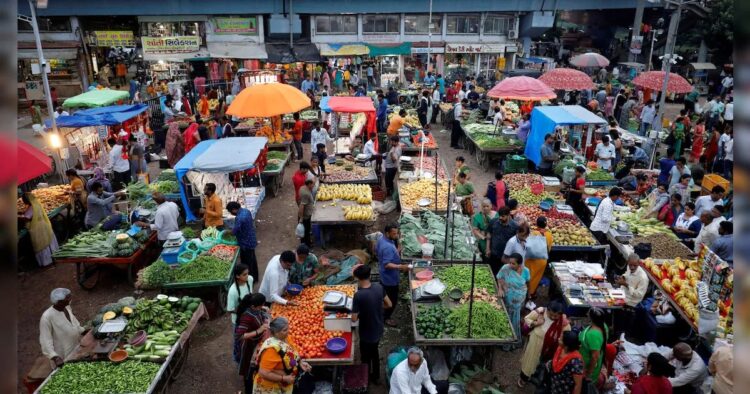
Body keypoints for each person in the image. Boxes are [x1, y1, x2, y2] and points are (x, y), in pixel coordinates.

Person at [351, 264, 391, 385]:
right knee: (375, 351)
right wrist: (377, 307)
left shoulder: (358, 296)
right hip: (378, 328)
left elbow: (354, 318)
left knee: (365, 356)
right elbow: (389, 304)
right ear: (369, 276)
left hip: (366, 332)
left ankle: (365, 377)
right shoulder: (379, 287)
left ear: (358, 278)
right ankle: (376, 376)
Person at [518, 301, 570, 387]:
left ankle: (535, 375)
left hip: (550, 347)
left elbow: (567, 333)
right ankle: (524, 378)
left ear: (560, 314)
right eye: (551, 315)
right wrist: (537, 323)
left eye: (556, 316)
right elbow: (527, 319)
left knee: (543, 362)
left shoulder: (563, 321)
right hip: (536, 342)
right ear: (548, 310)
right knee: (530, 361)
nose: (553, 317)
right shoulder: (541, 311)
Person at [253, 317, 311, 392]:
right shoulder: (271, 349)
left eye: (288, 328)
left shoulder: (285, 338)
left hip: (283, 384)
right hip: (270, 387)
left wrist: (300, 362)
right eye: (285, 330)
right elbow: (263, 372)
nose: (288, 331)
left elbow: (291, 352)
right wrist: (283, 378)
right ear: (276, 332)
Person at [40, 288, 85, 367]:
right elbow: (45, 340)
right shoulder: (47, 317)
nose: (70, 298)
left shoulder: (67, 307)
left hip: (75, 347)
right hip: (62, 356)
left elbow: (73, 322)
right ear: (59, 302)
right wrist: (55, 357)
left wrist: (82, 330)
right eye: (67, 297)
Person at [234, 293, 268, 393]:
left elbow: (260, 313)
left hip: (256, 342)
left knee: (255, 366)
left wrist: (263, 311)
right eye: (261, 306)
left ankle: (255, 383)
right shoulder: (246, 317)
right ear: (253, 306)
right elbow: (239, 336)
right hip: (249, 346)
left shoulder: (255, 310)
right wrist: (259, 330)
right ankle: (248, 388)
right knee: (248, 368)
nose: (262, 307)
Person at [378, 223, 408, 327]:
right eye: (394, 233)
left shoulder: (382, 239)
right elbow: (387, 264)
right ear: (387, 233)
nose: (396, 235)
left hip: (383, 274)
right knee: (392, 300)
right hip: (389, 278)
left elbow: (376, 250)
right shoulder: (387, 247)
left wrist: (398, 249)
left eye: (397, 233)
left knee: (384, 296)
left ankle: (381, 311)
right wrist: (401, 267)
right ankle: (386, 318)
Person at [496, 253, 529, 345]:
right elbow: (499, 278)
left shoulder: (526, 271)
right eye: (510, 262)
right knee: (506, 315)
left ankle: (513, 337)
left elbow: (527, 283)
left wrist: (528, 296)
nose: (510, 265)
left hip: (520, 296)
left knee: (515, 316)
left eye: (513, 263)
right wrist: (500, 289)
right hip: (508, 295)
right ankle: (504, 336)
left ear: (520, 264)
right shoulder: (505, 268)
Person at [19, 193, 59, 268]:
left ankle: (47, 261)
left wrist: (18, 217)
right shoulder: (37, 204)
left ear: (27, 200)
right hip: (44, 224)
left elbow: (27, 218)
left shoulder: (31, 207)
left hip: (38, 228)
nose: (23, 201)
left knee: (42, 244)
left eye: (24, 199)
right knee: (48, 242)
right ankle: (53, 257)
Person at [226, 202, 259, 284]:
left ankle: (249, 279)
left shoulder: (239, 218)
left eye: (230, 211)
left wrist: (227, 232)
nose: (231, 213)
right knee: (252, 260)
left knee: (246, 262)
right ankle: (255, 277)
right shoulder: (246, 211)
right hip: (251, 238)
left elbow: (234, 231)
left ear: (234, 210)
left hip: (245, 242)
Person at [579, 307, 609, 387]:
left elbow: (595, 356)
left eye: (588, 314)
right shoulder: (604, 326)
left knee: (586, 386)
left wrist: (588, 372)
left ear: (592, 318)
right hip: (591, 363)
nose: (586, 314)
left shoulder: (593, 334)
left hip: (588, 365)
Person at [486, 207, 518, 276]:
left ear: (508, 215)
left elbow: (516, 241)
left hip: (506, 256)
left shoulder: (515, 226)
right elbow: (489, 234)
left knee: (503, 275)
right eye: (500, 215)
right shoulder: (493, 222)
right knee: (492, 273)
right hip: (494, 254)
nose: (500, 218)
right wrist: (488, 248)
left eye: (503, 216)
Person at [525, 217, 553, 295]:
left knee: (528, 276)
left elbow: (528, 246)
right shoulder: (549, 234)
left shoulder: (533, 233)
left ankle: (526, 292)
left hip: (531, 260)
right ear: (546, 224)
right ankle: (531, 292)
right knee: (536, 277)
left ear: (536, 224)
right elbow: (549, 247)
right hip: (542, 260)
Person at [298, 179, 315, 247]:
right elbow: (302, 206)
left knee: (306, 231)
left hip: (305, 214)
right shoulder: (306, 194)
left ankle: (306, 243)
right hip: (305, 216)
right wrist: (301, 218)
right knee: (306, 232)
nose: (314, 186)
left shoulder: (302, 188)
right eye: (313, 184)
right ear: (309, 184)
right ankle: (306, 245)